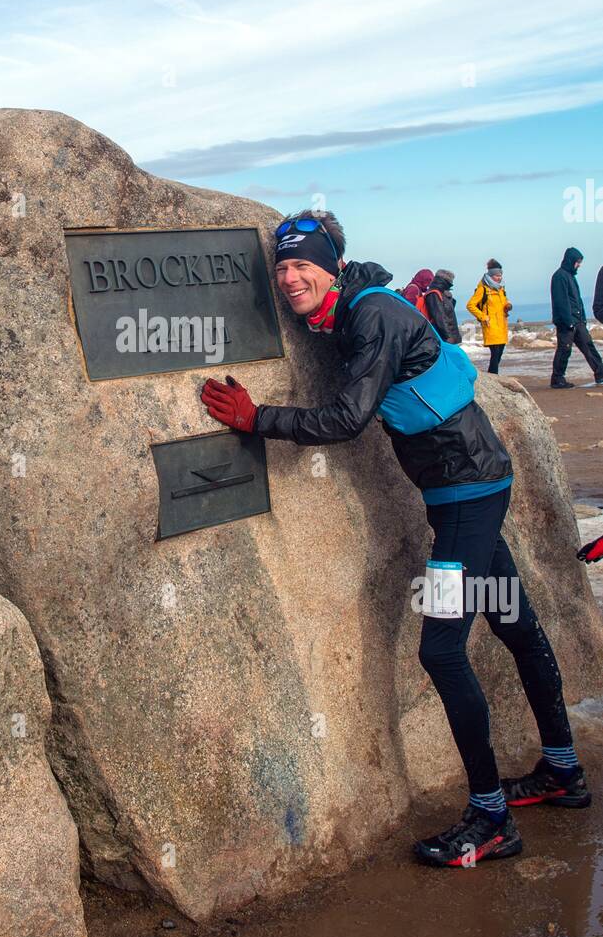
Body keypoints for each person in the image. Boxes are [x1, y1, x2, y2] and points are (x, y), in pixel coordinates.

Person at [200, 210, 590, 869]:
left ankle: (490, 818)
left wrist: (255, 418)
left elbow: (349, 417)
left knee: (441, 651)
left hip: (465, 493)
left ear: (331, 266)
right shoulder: (353, 306)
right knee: (513, 624)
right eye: (282, 267)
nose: (290, 277)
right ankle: (562, 772)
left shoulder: (370, 315)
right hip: (467, 488)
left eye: (303, 265)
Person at [550, 248, 603, 389]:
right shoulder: (559, 276)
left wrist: (583, 319)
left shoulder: (570, 276)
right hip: (566, 323)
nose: (579, 265)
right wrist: (568, 322)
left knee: (588, 346)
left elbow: (577, 301)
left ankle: (601, 374)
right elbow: (561, 302)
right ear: (571, 261)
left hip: (577, 321)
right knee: (564, 350)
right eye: (578, 262)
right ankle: (557, 379)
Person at [466, 259, 511, 374]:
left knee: (499, 353)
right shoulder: (483, 289)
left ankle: (493, 376)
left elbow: (504, 301)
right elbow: (470, 305)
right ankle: (493, 376)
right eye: (497, 275)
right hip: (490, 325)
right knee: (495, 354)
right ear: (491, 275)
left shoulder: (501, 289)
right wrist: (483, 317)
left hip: (502, 325)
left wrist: (508, 305)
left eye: (500, 275)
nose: (499, 277)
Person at [421, 268, 462, 343]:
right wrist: (448, 337)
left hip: (443, 336)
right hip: (442, 337)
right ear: (446, 282)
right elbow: (440, 317)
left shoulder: (441, 294)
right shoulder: (434, 294)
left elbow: (447, 313)